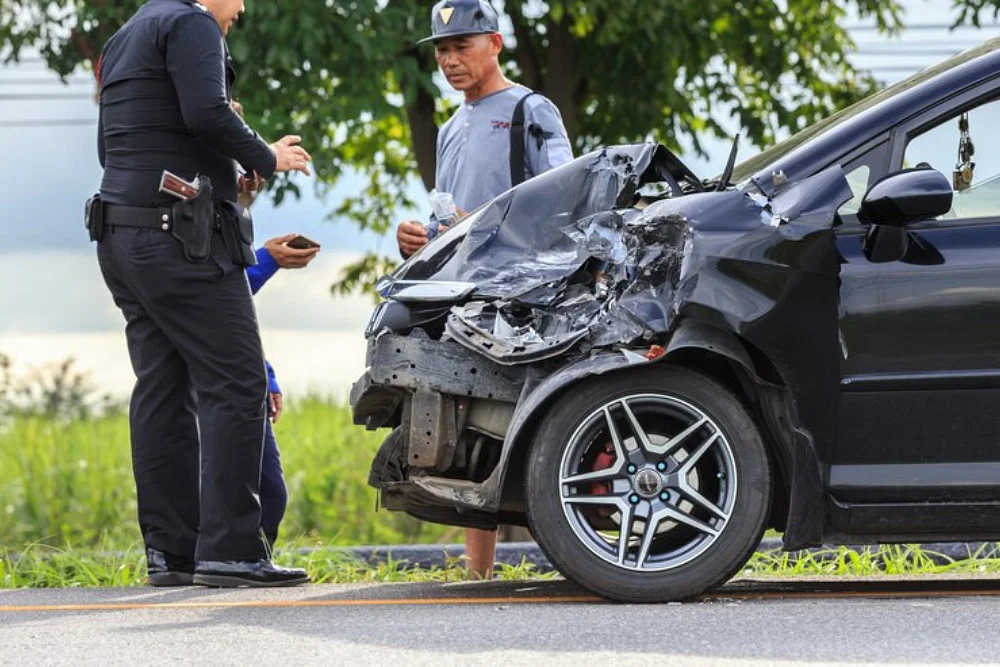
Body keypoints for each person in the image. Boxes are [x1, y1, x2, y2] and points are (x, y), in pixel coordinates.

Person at [92, 0, 313, 587]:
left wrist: (223, 175)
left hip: (122, 237)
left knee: (161, 391)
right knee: (237, 382)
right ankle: (233, 551)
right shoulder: (191, 23)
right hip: (182, 241)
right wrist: (268, 155)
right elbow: (208, 112)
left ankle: (173, 554)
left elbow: (117, 148)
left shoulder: (128, 34)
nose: (239, 8)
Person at [396, 0, 574, 578]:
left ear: (495, 44)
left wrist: (485, 223)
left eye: (462, 47)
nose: (450, 61)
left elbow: (569, 200)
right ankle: (480, 576)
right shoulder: (450, 128)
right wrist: (419, 242)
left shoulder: (531, 109)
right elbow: (450, 218)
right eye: (443, 51)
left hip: (526, 291)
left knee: (544, 422)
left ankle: (583, 562)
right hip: (466, 295)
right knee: (476, 428)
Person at [245, 235, 320, 549]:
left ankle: (255, 560)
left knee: (270, 493)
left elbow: (234, 319)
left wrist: (267, 376)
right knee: (258, 490)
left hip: (244, 376)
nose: (254, 182)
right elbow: (212, 293)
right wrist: (266, 259)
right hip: (206, 388)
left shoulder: (229, 217)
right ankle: (238, 560)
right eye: (247, 180)